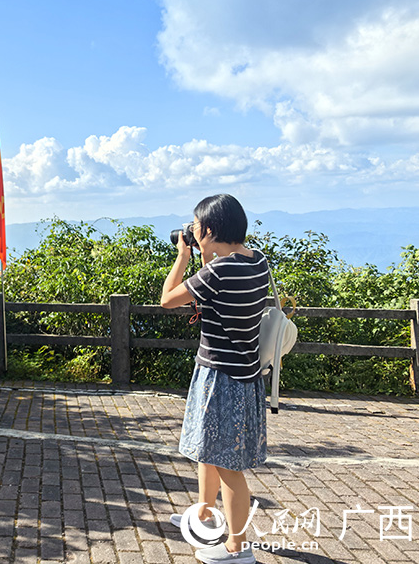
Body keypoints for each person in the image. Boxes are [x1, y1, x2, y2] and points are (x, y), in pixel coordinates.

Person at [160, 194, 269, 564]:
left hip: (221, 377)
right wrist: (206, 256)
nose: (192, 231)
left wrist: (182, 256)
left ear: (209, 229)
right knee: (209, 449)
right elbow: (217, 295)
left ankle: (237, 549)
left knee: (229, 468)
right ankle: (205, 515)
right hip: (244, 375)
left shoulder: (220, 272)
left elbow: (168, 299)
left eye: (196, 226)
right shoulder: (257, 263)